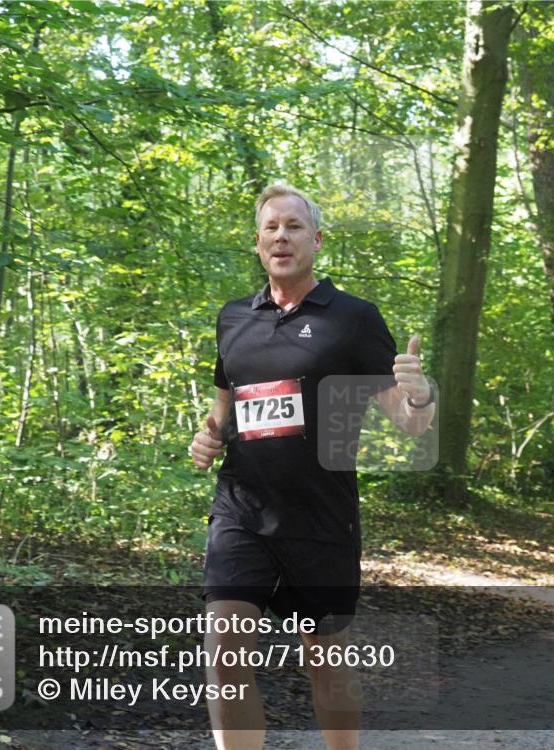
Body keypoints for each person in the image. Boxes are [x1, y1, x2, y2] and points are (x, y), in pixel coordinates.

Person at [188, 183, 435, 750]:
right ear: (257, 244)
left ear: (316, 240)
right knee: (224, 646)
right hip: (242, 508)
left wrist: (419, 393)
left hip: (321, 515)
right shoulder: (233, 320)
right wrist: (208, 441)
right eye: (271, 227)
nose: (282, 235)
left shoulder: (353, 319)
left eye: (294, 226)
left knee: (325, 661)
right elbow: (225, 410)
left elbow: (410, 421)